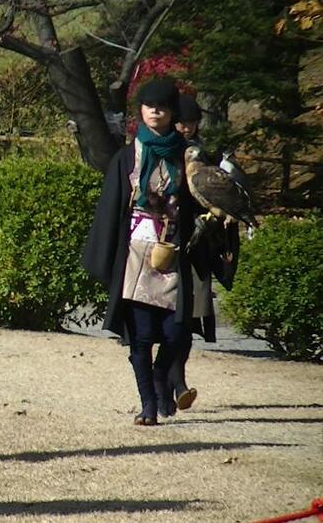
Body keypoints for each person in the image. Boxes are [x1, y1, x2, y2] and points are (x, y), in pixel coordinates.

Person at [82, 79, 194, 426]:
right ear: (141, 111)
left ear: (172, 111)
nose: (155, 110)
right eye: (149, 105)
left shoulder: (187, 155)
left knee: (177, 334)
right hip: (134, 251)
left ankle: (163, 375)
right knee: (141, 335)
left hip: (172, 251)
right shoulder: (128, 156)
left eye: (162, 106)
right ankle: (148, 406)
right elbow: (112, 208)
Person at [167, 94, 240, 414]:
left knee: (186, 320)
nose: (186, 127)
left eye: (192, 121)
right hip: (164, 245)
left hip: (196, 249)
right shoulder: (161, 152)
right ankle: (165, 381)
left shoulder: (203, 157)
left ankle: (177, 382)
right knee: (165, 321)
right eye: (181, 121)